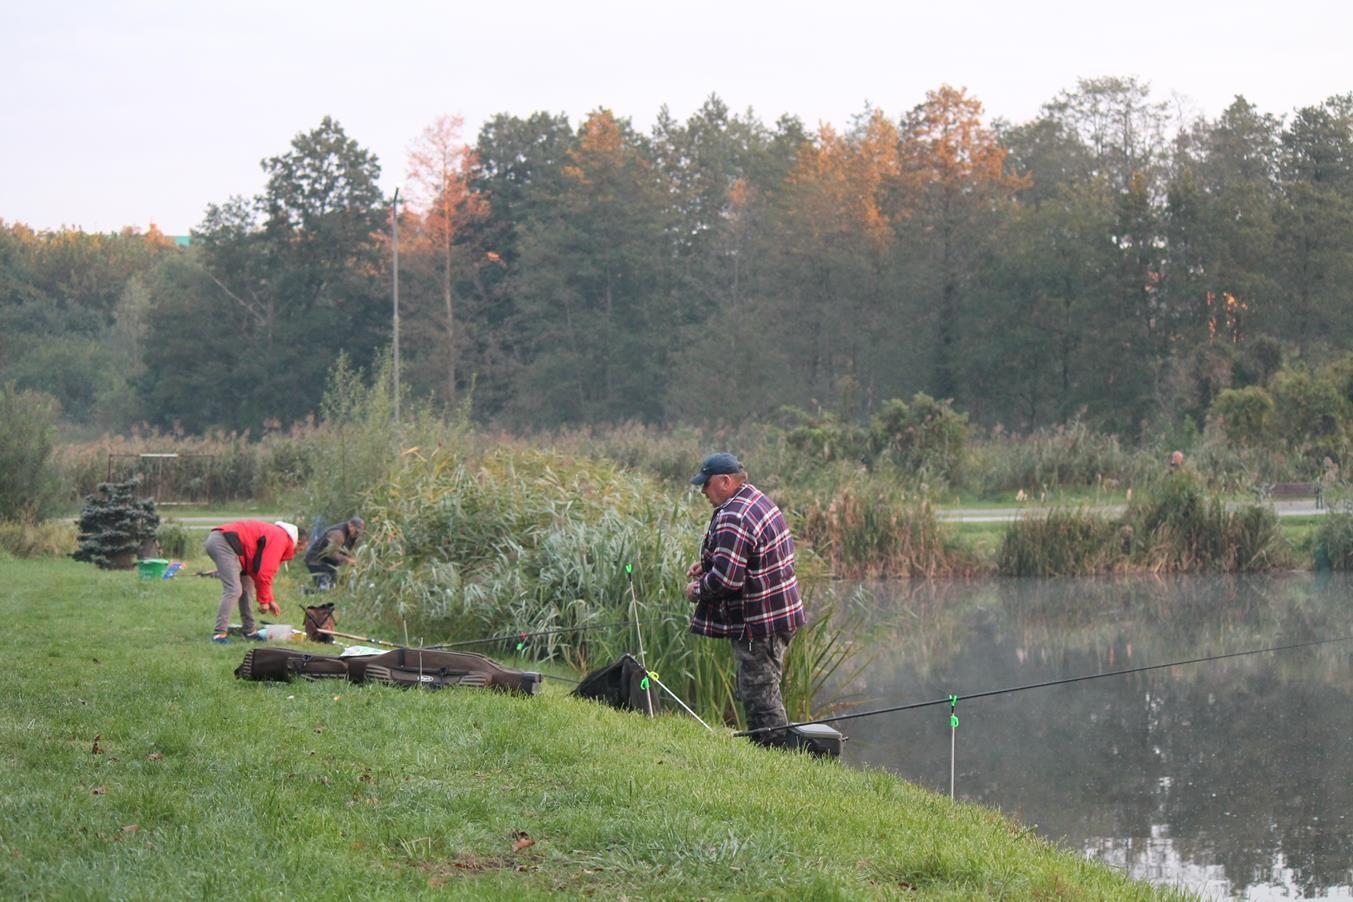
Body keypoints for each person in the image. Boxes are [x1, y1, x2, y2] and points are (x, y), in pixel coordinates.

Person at [684, 452, 804, 746]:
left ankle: (774, 755)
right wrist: (709, 563)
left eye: (706, 484)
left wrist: (696, 589)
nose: (702, 491)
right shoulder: (756, 500)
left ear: (725, 481)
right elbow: (749, 557)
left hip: (759, 624)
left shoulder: (734, 515)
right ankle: (772, 750)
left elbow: (727, 580)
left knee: (759, 693)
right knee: (763, 687)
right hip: (779, 614)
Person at [204, 519, 305, 643]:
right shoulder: (280, 538)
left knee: (247, 589)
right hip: (223, 543)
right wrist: (264, 602)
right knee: (234, 590)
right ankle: (219, 634)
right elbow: (265, 572)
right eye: (301, 549)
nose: (298, 553)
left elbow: (259, 571)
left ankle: (250, 631)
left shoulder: (279, 536)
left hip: (237, 551)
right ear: (298, 543)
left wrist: (269, 600)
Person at [304, 516, 365, 589]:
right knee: (325, 587)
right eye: (357, 531)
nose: (357, 534)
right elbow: (331, 554)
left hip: (328, 563)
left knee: (334, 586)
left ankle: (310, 591)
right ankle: (306, 592)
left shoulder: (351, 535)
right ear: (350, 525)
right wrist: (348, 560)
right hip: (316, 561)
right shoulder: (338, 534)